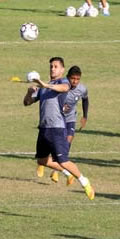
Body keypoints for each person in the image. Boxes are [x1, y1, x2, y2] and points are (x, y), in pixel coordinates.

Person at [23, 57, 95, 200]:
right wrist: (29, 92)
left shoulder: (64, 82)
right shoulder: (44, 87)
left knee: (63, 160)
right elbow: (26, 103)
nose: (52, 69)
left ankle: (84, 181)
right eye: (51, 66)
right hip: (43, 128)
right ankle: (67, 173)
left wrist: (43, 84)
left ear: (62, 70)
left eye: (56, 66)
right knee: (42, 161)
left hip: (56, 128)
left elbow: (62, 89)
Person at [49, 65, 89, 185]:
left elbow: (86, 100)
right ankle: (56, 167)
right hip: (58, 120)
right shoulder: (62, 86)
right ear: (68, 77)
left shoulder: (82, 89)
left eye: (77, 79)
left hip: (70, 119)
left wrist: (85, 116)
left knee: (67, 143)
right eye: (73, 78)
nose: (75, 81)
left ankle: (57, 168)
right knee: (58, 145)